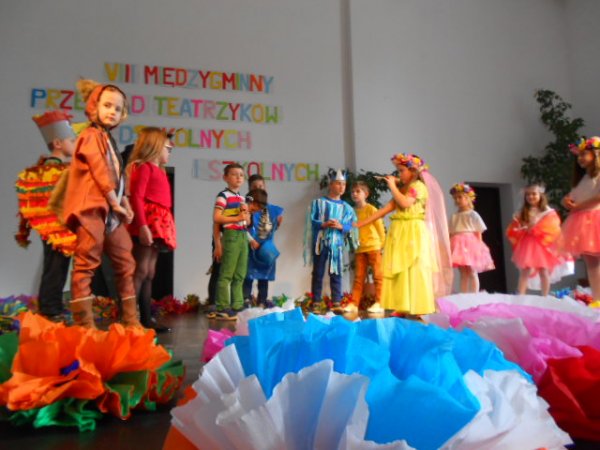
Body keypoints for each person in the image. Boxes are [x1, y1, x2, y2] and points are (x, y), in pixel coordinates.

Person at [61, 79, 141, 328]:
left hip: (111, 210)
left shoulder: (108, 139)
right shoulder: (90, 136)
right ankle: (85, 325)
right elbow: (99, 170)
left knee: (126, 261)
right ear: (94, 106)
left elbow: (118, 175)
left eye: (117, 108)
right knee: (86, 261)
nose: (112, 112)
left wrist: (125, 202)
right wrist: (114, 202)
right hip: (92, 207)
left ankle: (131, 320)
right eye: (107, 105)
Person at [356, 153, 452, 317]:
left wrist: (392, 186)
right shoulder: (403, 189)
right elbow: (385, 210)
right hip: (401, 232)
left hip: (413, 231)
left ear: (413, 171)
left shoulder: (418, 187)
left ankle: (419, 307)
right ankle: (403, 306)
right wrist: (359, 224)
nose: (398, 175)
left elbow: (405, 202)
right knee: (401, 270)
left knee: (415, 268)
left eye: (401, 171)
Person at [15, 111, 77, 321]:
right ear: (58, 143)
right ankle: (51, 309)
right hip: (55, 229)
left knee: (56, 267)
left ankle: (53, 306)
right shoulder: (52, 170)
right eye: (71, 141)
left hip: (57, 228)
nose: (74, 144)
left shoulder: (56, 169)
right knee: (55, 267)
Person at [126, 127, 176, 332]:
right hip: (148, 221)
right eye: (167, 148)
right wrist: (143, 226)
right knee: (140, 270)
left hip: (159, 222)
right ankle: (129, 318)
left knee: (149, 271)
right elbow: (137, 197)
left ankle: (146, 318)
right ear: (155, 146)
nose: (169, 152)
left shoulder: (159, 170)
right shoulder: (144, 167)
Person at [304, 169, 358, 313]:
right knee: (318, 272)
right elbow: (312, 221)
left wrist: (341, 226)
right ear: (331, 184)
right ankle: (316, 302)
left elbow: (352, 225)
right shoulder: (318, 203)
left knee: (336, 272)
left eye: (344, 184)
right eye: (338, 183)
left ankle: (336, 302)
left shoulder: (347, 208)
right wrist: (323, 224)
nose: (342, 187)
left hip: (336, 244)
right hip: (321, 242)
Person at [506, 184, 566, 296]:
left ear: (540, 195)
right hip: (528, 243)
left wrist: (535, 229)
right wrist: (521, 228)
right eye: (528, 194)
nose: (530, 196)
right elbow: (516, 227)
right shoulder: (522, 212)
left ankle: (545, 296)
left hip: (541, 245)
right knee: (525, 270)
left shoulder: (547, 211)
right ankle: (520, 295)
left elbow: (553, 227)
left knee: (543, 270)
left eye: (534, 194)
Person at [561, 137, 600, 300]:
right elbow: (573, 196)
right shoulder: (583, 178)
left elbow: (598, 197)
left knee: (595, 264)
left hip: (595, 218)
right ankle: (597, 299)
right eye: (578, 155)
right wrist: (566, 201)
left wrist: (577, 207)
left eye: (584, 154)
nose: (580, 158)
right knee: (592, 264)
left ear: (596, 154)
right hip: (583, 221)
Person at [213, 163, 251, 320]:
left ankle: (237, 305)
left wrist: (246, 214)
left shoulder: (242, 198)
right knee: (227, 273)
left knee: (240, 273)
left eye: (241, 175)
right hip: (231, 235)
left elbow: (247, 221)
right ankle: (222, 307)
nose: (238, 177)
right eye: (234, 174)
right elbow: (217, 218)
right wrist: (218, 244)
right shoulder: (223, 196)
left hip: (242, 235)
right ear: (225, 177)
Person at [345, 181, 385, 313]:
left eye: (358, 191)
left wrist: (382, 244)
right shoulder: (352, 212)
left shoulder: (371, 209)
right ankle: (354, 304)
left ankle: (380, 302)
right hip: (360, 249)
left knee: (378, 275)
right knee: (358, 277)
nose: (354, 194)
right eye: (352, 192)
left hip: (374, 247)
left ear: (366, 194)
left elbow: (380, 227)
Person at [449, 183, 494, 293]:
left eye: (460, 197)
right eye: (455, 198)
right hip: (457, 245)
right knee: (463, 272)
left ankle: (474, 294)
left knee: (472, 271)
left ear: (468, 198)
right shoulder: (454, 216)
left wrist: (479, 248)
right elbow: (451, 232)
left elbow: (478, 232)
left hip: (470, 244)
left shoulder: (473, 214)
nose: (457, 200)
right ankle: (464, 295)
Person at [243, 188, 284, 307]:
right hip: (249, 247)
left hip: (264, 247)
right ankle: (246, 299)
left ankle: (262, 301)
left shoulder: (269, 211)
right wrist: (251, 240)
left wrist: (260, 240)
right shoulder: (245, 210)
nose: (256, 209)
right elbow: (242, 227)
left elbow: (270, 227)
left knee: (264, 277)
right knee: (248, 275)